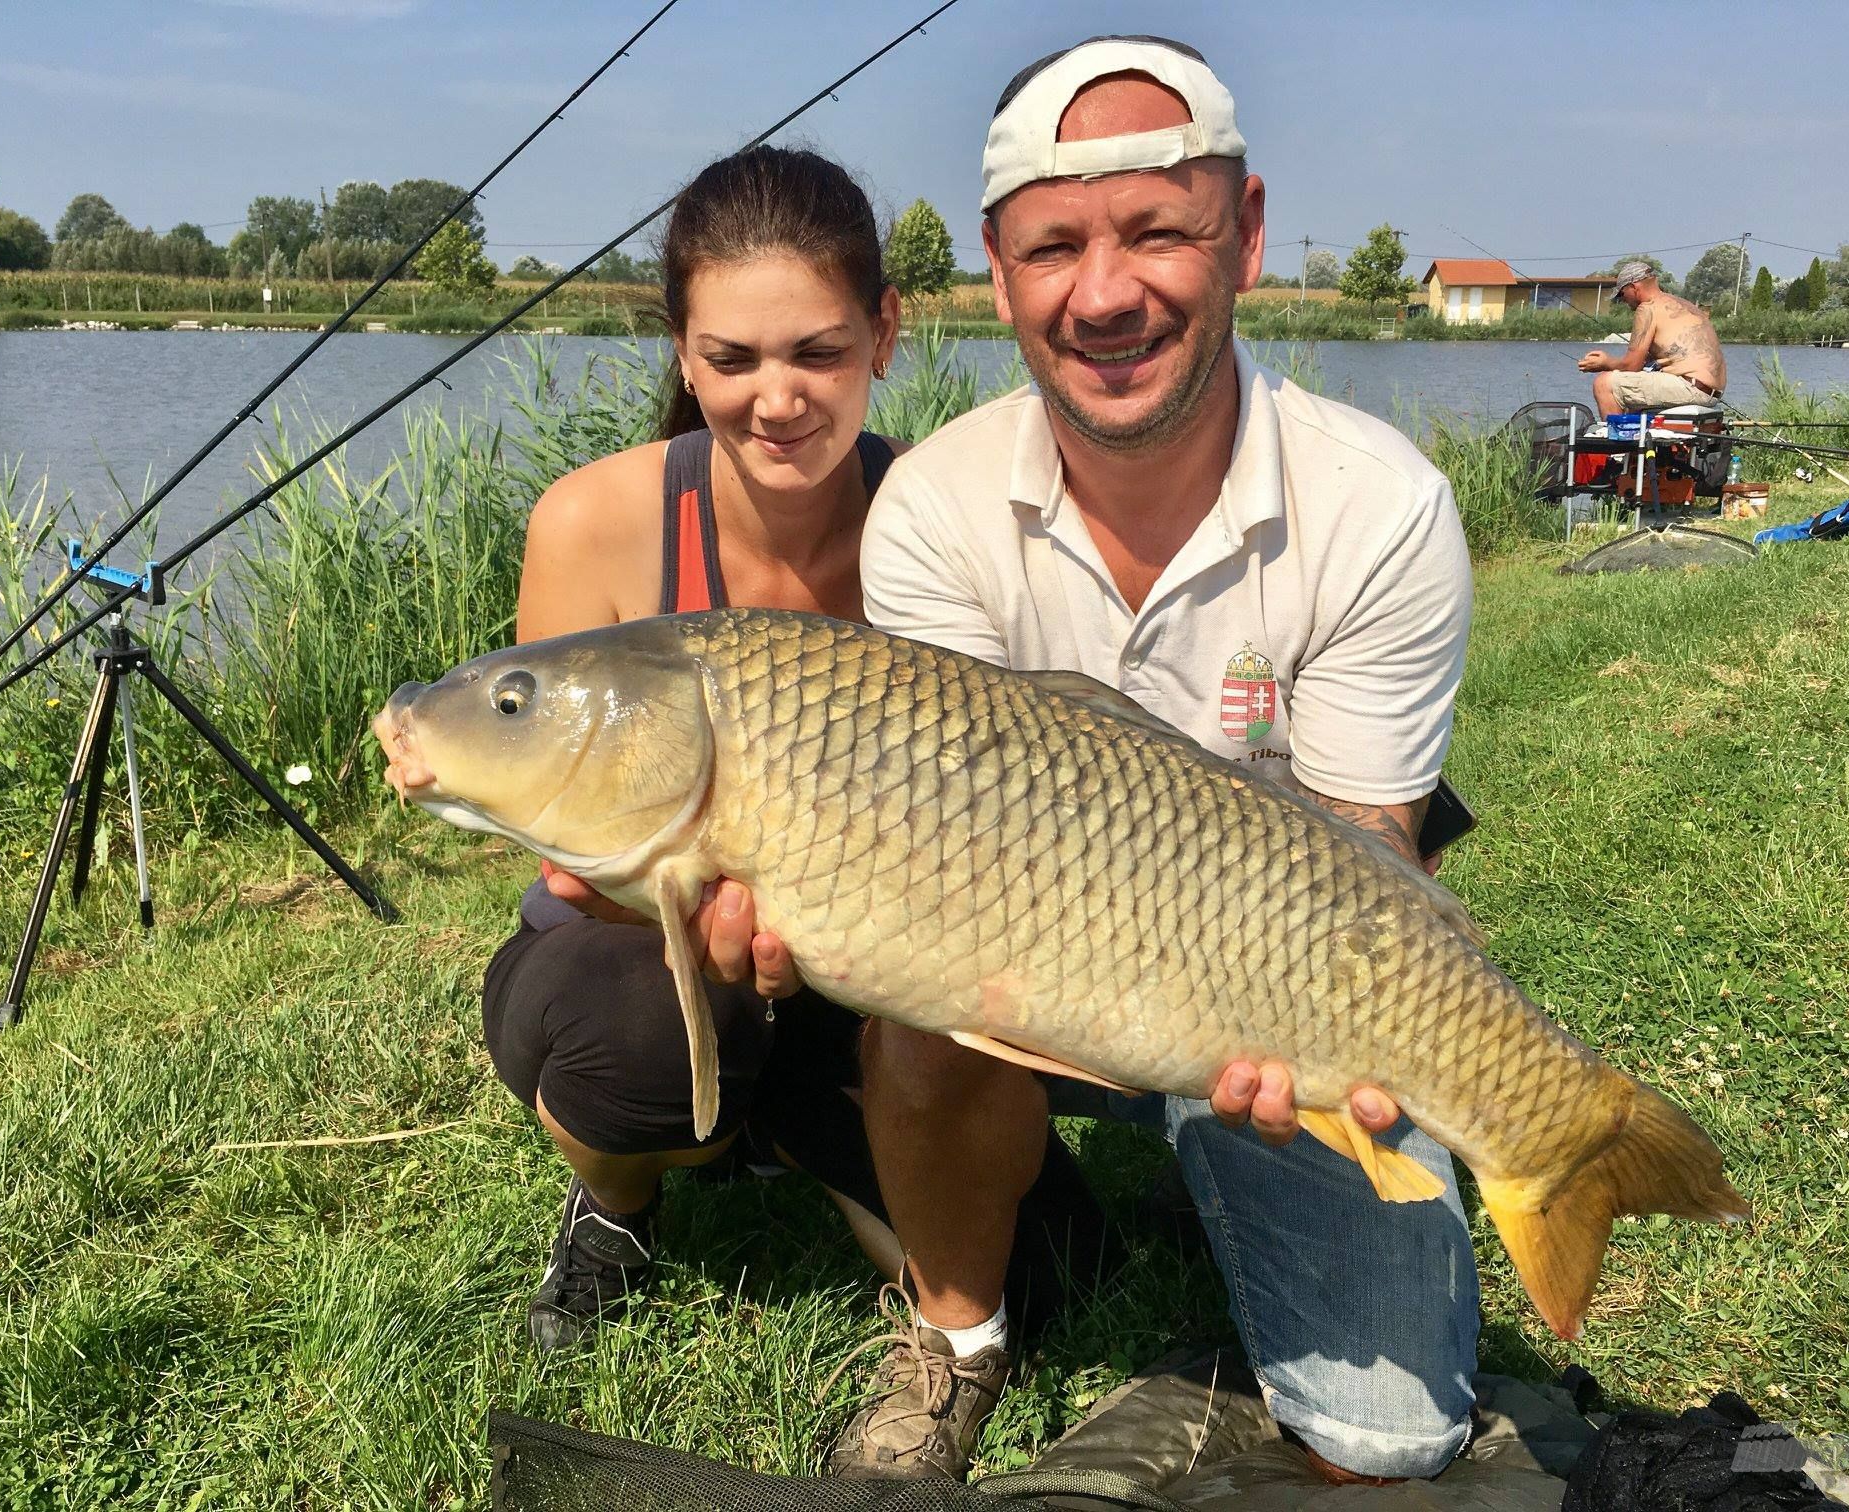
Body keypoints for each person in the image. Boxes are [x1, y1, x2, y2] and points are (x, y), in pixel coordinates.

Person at [701, 36, 1482, 1488]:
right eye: (1055, 247)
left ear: (1243, 236)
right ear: (1000, 279)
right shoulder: (934, 506)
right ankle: (958, 1338)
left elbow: (1371, 846)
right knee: (917, 971)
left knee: (1398, 1434)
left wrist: (1326, 1051)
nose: (1106, 291)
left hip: (1267, 985)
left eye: (1160, 231)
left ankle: (1503, 1143)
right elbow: (933, 828)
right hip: (1028, 954)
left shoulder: (1382, 505)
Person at [478, 144, 911, 1353]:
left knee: (1042, 1274)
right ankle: (617, 1206)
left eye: (819, 351)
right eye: (732, 358)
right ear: (683, 351)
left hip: (868, 952)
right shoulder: (593, 521)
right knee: (630, 1039)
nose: (778, 397)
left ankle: (788, 1121)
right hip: (640, 943)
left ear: (885, 332)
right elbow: (574, 841)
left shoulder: (937, 520)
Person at [1578, 259, 1728, 414]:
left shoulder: (1647, 308)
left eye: (1622, 294)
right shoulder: (1684, 304)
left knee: (1605, 383)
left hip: (1690, 387)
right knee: (1633, 387)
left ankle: (1614, 436)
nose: (1622, 300)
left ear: (1633, 287)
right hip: (1711, 390)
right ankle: (1637, 435)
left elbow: (1632, 366)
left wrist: (1605, 362)